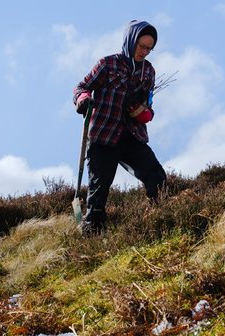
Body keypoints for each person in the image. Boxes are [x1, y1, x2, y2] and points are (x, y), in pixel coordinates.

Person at [72, 20, 167, 235]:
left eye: (149, 48)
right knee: (98, 194)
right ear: (130, 41)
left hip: (132, 137)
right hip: (103, 138)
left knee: (157, 177)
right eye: (141, 46)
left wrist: (143, 114)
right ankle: (91, 237)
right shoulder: (107, 65)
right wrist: (84, 99)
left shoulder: (148, 72)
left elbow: (149, 108)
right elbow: (81, 87)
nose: (145, 52)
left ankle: (161, 221)